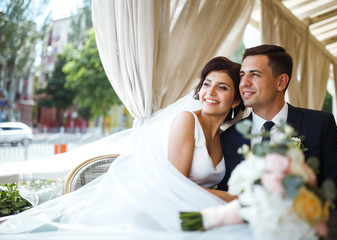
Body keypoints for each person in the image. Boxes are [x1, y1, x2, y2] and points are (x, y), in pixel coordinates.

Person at [0, 57, 247, 239]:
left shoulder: (225, 137)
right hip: (160, 210)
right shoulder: (186, 121)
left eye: (222, 87)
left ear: (236, 100)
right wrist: (233, 199)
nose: (210, 92)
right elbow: (175, 184)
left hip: (189, 211)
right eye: (206, 84)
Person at [219, 44, 337, 209]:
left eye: (254, 75)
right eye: (242, 75)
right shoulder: (228, 137)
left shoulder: (320, 125)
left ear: (281, 82)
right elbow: (225, 197)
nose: (243, 83)